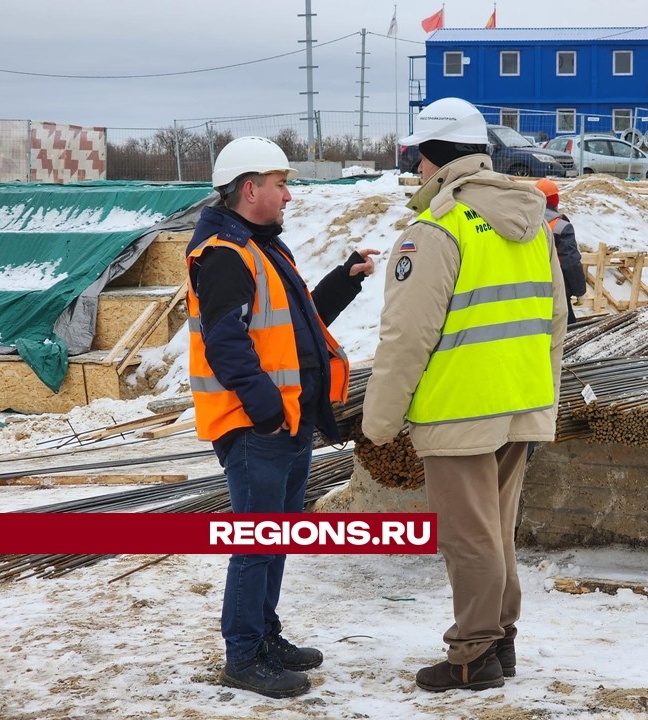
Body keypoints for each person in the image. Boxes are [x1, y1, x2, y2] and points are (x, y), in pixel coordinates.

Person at [361, 98, 567, 693]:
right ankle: (499, 641)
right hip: (519, 403)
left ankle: (473, 657)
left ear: (430, 159)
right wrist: (540, 394)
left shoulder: (436, 230)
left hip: (458, 410)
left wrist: (379, 419)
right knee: (495, 530)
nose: (416, 172)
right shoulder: (531, 223)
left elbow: (405, 338)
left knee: (467, 536)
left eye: (417, 160)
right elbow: (556, 319)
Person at [186, 136, 378, 699]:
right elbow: (227, 346)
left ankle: (264, 635)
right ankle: (243, 656)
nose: (289, 196)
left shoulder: (264, 248)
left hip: (287, 423)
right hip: (257, 428)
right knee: (256, 542)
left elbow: (298, 322)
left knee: (274, 539)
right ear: (251, 189)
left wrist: (345, 279)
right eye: (280, 185)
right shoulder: (225, 255)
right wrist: (268, 413)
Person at [535, 178, 588, 325]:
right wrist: (579, 290)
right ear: (554, 200)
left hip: (530, 286)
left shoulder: (524, 222)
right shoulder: (561, 226)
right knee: (566, 329)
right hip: (557, 285)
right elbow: (570, 262)